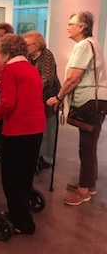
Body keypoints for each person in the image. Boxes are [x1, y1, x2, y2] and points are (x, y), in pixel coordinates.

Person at [0, 33, 45, 234]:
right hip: (36, 128)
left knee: (11, 178)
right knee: (24, 175)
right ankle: (21, 215)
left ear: (6, 52)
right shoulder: (31, 68)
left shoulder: (11, 69)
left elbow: (7, 105)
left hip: (18, 130)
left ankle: (22, 223)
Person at [47, 11, 107, 206]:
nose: (67, 26)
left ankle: (83, 191)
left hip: (90, 101)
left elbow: (74, 77)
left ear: (82, 27)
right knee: (89, 145)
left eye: (71, 23)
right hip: (98, 101)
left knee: (86, 147)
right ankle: (88, 184)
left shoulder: (83, 45)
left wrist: (58, 97)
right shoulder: (93, 43)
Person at [24, 31, 61, 169]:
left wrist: (29, 87)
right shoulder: (27, 57)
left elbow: (46, 78)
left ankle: (47, 158)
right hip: (34, 97)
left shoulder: (47, 55)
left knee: (48, 128)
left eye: (28, 44)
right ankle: (36, 154)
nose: (26, 47)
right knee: (36, 127)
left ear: (38, 44)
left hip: (48, 97)